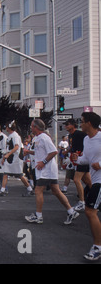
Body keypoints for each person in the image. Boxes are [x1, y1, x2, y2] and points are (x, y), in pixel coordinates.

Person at [24, 119, 79, 225]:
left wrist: (43, 162)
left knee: (38, 190)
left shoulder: (44, 138)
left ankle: (38, 216)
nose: (31, 128)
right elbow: (39, 151)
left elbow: (53, 151)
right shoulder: (37, 138)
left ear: (36, 127)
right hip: (44, 169)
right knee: (56, 191)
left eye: (32, 126)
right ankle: (71, 211)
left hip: (47, 170)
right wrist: (29, 151)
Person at [70, 112, 101, 261]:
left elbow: (97, 162)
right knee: (92, 212)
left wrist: (100, 164)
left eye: (81, 121)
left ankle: (97, 247)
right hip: (95, 180)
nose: (79, 124)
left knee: (90, 211)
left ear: (89, 123)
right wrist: (78, 159)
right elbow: (87, 160)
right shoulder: (87, 140)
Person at [0, 121, 34, 197]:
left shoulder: (15, 136)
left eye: (6, 127)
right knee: (6, 174)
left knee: (19, 175)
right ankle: (2, 190)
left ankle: (30, 189)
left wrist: (8, 154)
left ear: (9, 127)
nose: (5, 128)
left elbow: (16, 147)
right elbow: (10, 147)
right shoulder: (11, 136)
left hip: (15, 159)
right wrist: (5, 155)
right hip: (11, 158)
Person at [65, 119, 92, 212]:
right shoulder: (70, 136)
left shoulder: (80, 134)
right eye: (65, 125)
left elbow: (89, 141)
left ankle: (82, 202)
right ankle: (96, 197)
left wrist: (82, 153)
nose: (66, 126)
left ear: (73, 125)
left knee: (77, 180)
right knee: (88, 182)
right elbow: (72, 147)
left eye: (67, 124)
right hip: (77, 160)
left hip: (83, 159)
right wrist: (68, 151)